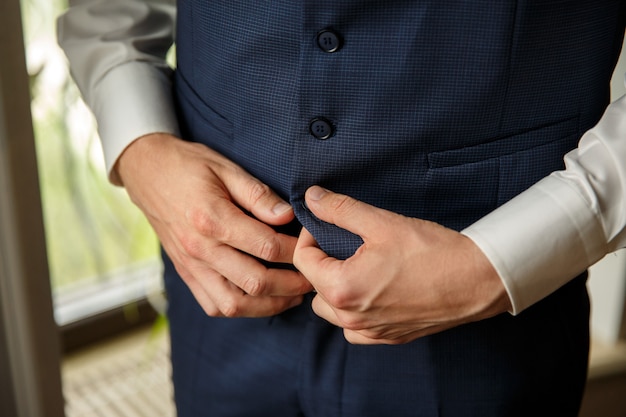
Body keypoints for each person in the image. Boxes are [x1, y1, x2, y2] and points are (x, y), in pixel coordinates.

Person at [58, 1, 626, 415]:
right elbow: (108, 12)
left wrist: (492, 265)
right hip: (219, 301)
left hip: (485, 330)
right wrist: (142, 149)